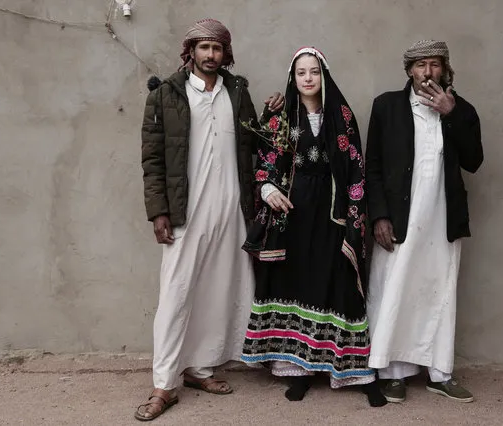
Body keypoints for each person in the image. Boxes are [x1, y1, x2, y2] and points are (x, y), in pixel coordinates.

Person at [135, 18, 284, 421]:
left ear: (225, 53)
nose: (211, 55)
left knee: (217, 290)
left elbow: (256, 143)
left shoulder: (237, 90)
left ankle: (200, 369)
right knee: (177, 292)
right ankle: (164, 384)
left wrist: (274, 114)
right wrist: (159, 211)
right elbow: (152, 161)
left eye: (217, 49)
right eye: (204, 48)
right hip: (186, 210)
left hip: (231, 208)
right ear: (191, 52)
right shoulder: (166, 94)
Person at [239, 46, 386, 407]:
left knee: (336, 281)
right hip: (294, 213)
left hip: (332, 212)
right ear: (293, 78)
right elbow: (266, 161)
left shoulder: (343, 116)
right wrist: (269, 186)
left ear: (324, 76)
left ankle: (352, 369)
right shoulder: (280, 117)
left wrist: (354, 212)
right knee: (297, 280)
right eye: (301, 72)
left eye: (314, 72)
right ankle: (298, 370)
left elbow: (355, 168)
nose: (307, 78)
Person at [365, 40, 483, 403]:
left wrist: (453, 113)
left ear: (445, 70)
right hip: (399, 219)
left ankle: (439, 372)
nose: (428, 72)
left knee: (438, 291)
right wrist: (379, 215)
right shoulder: (387, 106)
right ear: (409, 71)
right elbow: (373, 167)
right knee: (396, 288)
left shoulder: (460, 110)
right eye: (420, 65)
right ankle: (393, 372)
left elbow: (474, 161)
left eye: (434, 65)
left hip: (441, 219)